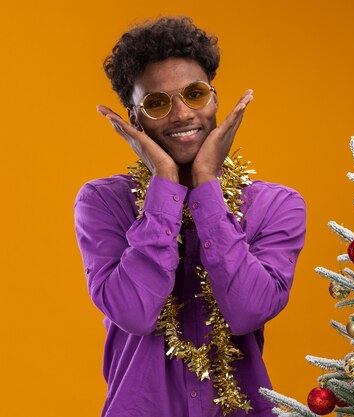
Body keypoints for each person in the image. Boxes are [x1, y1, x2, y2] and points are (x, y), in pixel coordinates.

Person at [74, 16, 306, 417]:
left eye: (195, 94)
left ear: (215, 100)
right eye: (158, 103)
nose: (182, 114)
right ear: (134, 119)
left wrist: (205, 183)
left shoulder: (277, 205)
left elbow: (248, 310)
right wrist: (165, 180)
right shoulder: (102, 202)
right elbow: (133, 311)